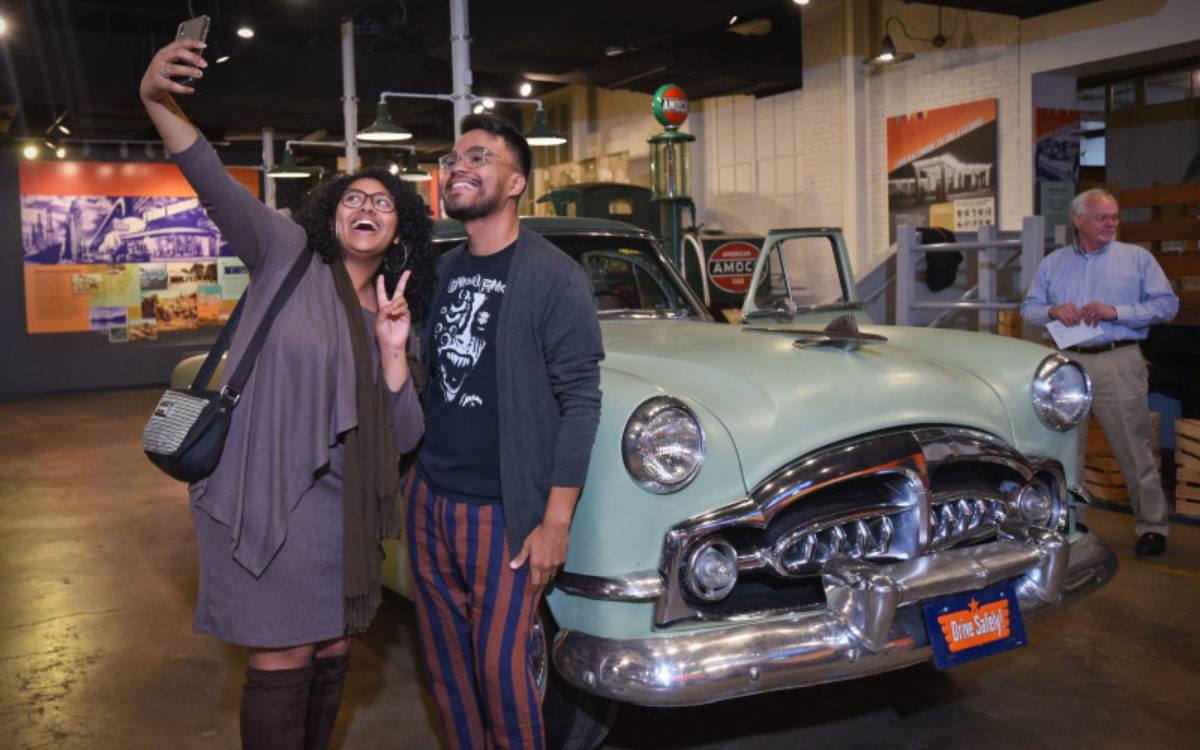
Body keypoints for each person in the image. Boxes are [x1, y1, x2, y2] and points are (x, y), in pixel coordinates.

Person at [140, 38, 436, 748]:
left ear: (398, 234)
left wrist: (395, 357)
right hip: (269, 495)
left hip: (345, 514)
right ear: (331, 214)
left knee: (334, 652)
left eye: (385, 203)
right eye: (354, 197)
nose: (368, 204)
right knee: (283, 657)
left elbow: (402, 440)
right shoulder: (283, 255)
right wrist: (155, 96)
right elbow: (208, 174)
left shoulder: (396, 319)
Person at [404, 113, 604, 749]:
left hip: (503, 512)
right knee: (447, 667)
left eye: (479, 157)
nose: (458, 166)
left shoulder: (553, 276)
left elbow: (581, 402)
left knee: (501, 669)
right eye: (453, 158)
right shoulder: (441, 272)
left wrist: (556, 522)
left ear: (515, 182)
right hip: (429, 498)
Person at [1022, 188, 1178, 557]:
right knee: (1064, 452)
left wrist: (1116, 312)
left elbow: (1167, 305)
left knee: (1134, 449)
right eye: (1102, 217)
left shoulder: (1137, 259)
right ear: (1078, 220)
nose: (1112, 224)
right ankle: (1071, 525)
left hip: (1117, 361)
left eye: (1114, 217)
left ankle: (1153, 526)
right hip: (1066, 365)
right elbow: (1029, 309)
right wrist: (1053, 310)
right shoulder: (1054, 263)